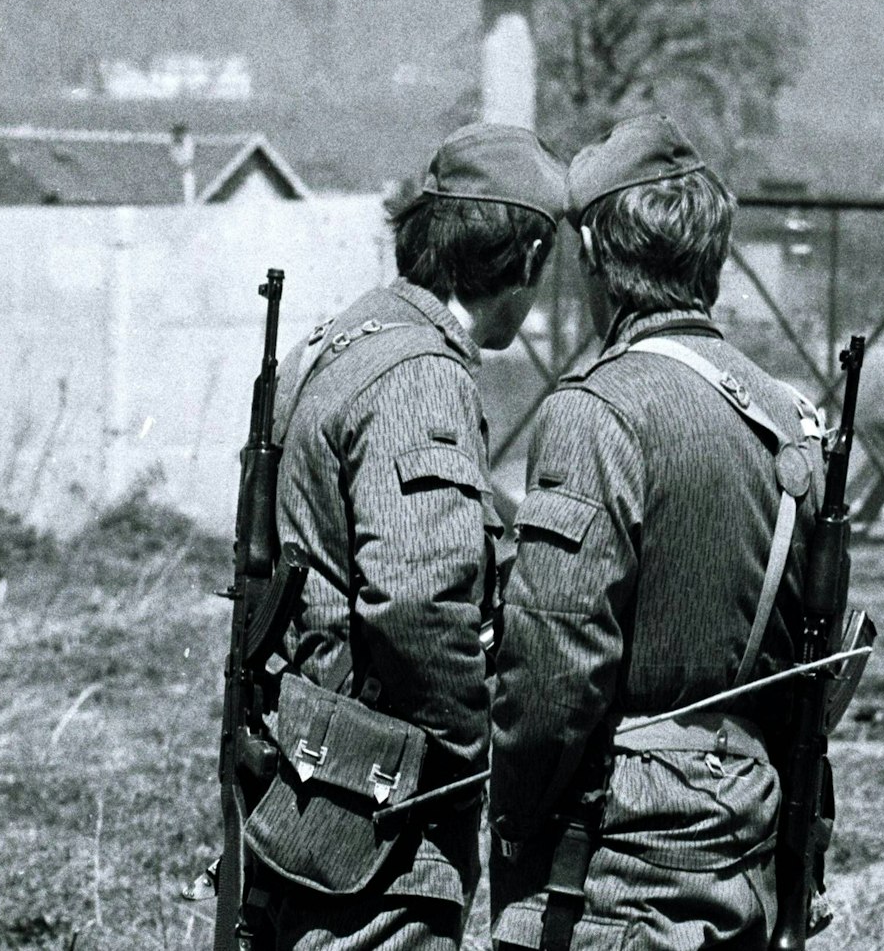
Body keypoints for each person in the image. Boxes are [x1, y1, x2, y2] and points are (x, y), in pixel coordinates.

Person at [489, 113, 824, 951]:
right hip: (746, 828)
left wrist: (513, 815)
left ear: (599, 257)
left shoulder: (595, 414)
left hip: (610, 864)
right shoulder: (785, 417)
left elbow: (556, 670)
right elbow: (807, 681)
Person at [242, 122, 566, 951]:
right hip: (380, 811)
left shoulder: (346, 337)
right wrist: (477, 750)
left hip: (307, 777)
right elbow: (418, 604)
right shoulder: (421, 374)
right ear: (526, 257)